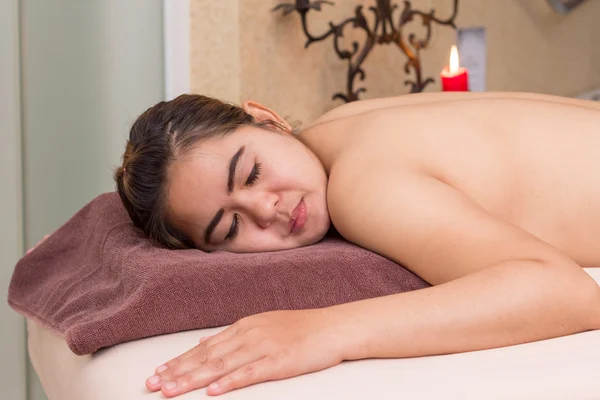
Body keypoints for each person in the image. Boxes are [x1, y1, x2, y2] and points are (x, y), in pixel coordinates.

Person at [114, 92, 600, 398]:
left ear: (266, 118)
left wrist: (324, 331)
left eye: (253, 172)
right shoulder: (346, 118)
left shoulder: (360, 186)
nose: (267, 209)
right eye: (230, 229)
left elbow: (564, 290)